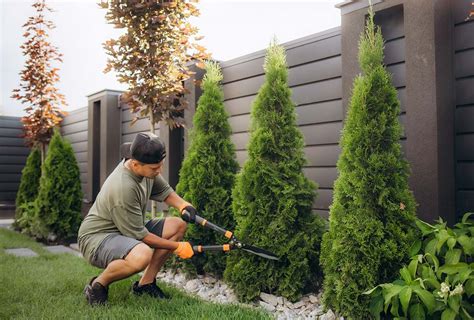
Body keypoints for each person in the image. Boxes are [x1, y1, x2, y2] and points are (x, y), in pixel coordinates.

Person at [78, 132, 197, 306]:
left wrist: (183, 205)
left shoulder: (144, 163)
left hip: (126, 230)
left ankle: (145, 284)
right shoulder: (122, 187)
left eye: (160, 166)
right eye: (155, 169)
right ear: (135, 164)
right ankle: (97, 286)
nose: (159, 171)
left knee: (177, 226)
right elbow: (141, 236)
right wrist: (178, 247)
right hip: (97, 238)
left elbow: (165, 191)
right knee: (141, 255)